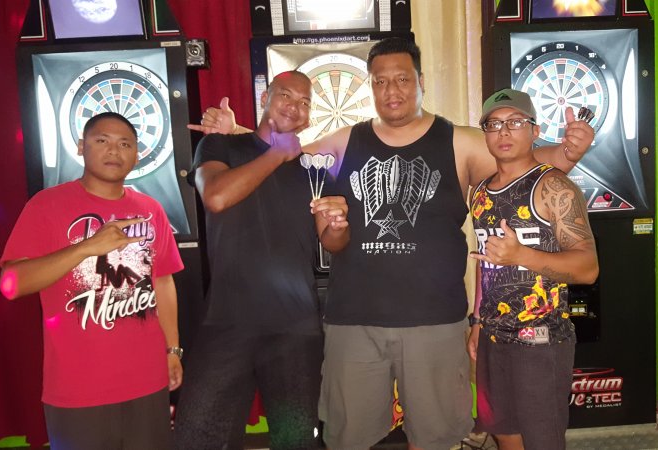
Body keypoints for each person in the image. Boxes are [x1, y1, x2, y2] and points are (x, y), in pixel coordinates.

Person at [194, 37, 594, 450]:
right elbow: (289, 154)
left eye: (402, 79)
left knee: (434, 438)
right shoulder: (345, 140)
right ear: (371, 86)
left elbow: (522, 161)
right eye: (380, 81)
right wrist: (237, 131)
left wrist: (569, 152)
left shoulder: (458, 141)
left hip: (435, 322)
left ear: (420, 81)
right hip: (354, 322)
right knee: (350, 438)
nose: (392, 90)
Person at [174, 71, 349, 450]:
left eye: (305, 102)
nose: (295, 106)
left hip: (295, 327)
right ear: (265, 97)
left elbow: (333, 242)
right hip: (227, 320)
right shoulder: (221, 145)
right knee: (198, 436)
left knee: (296, 440)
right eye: (286, 95)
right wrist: (276, 153)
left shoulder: (314, 168)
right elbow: (216, 197)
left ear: (309, 116)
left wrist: (339, 224)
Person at [0, 112, 184, 450]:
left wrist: (173, 349)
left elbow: (163, 282)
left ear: (137, 155)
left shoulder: (151, 209)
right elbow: (11, 284)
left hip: (147, 381)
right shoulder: (46, 205)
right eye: (102, 141)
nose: (114, 150)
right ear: (81, 147)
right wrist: (86, 248)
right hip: (78, 390)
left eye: (125, 144)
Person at [467, 88, 599, 450]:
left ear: (535, 131)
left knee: (542, 441)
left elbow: (588, 268)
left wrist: (521, 255)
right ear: (485, 134)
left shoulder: (554, 186)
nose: (504, 131)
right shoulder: (480, 193)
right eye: (494, 124)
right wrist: (477, 322)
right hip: (493, 338)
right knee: (504, 435)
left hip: (540, 342)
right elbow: (485, 262)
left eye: (515, 122)